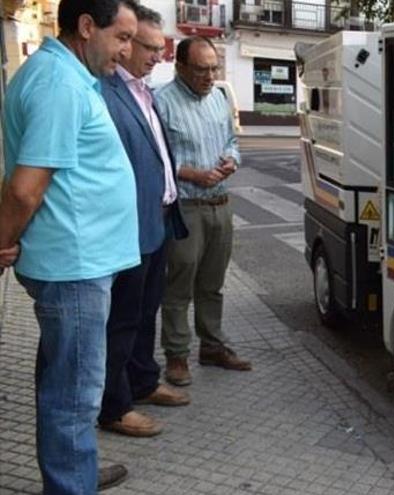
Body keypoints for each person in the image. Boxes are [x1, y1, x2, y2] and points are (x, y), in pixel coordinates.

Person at [0, 0, 140, 492]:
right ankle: (70, 482)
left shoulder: (68, 76)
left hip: (78, 262)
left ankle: (73, 467)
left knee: (64, 382)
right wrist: (3, 241)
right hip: (74, 267)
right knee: (75, 395)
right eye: (121, 37)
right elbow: (24, 187)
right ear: (86, 27)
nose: (127, 51)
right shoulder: (59, 84)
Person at [97, 4, 191, 439]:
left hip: (157, 221)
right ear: (127, 42)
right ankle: (114, 406)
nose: (158, 56)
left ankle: (143, 381)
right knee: (122, 321)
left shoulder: (143, 90)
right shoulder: (105, 90)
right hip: (127, 227)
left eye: (162, 48)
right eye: (150, 48)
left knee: (145, 312)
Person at [155, 36, 251, 387]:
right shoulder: (161, 103)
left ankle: (212, 346)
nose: (210, 76)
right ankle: (177, 356)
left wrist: (231, 161)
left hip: (221, 205)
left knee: (213, 284)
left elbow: (232, 142)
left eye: (214, 68)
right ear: (180, 67)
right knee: (179, 284)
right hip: (186, 208)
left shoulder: (219, 98)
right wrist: (192, 173)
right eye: (201, 69)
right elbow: (157, 157)